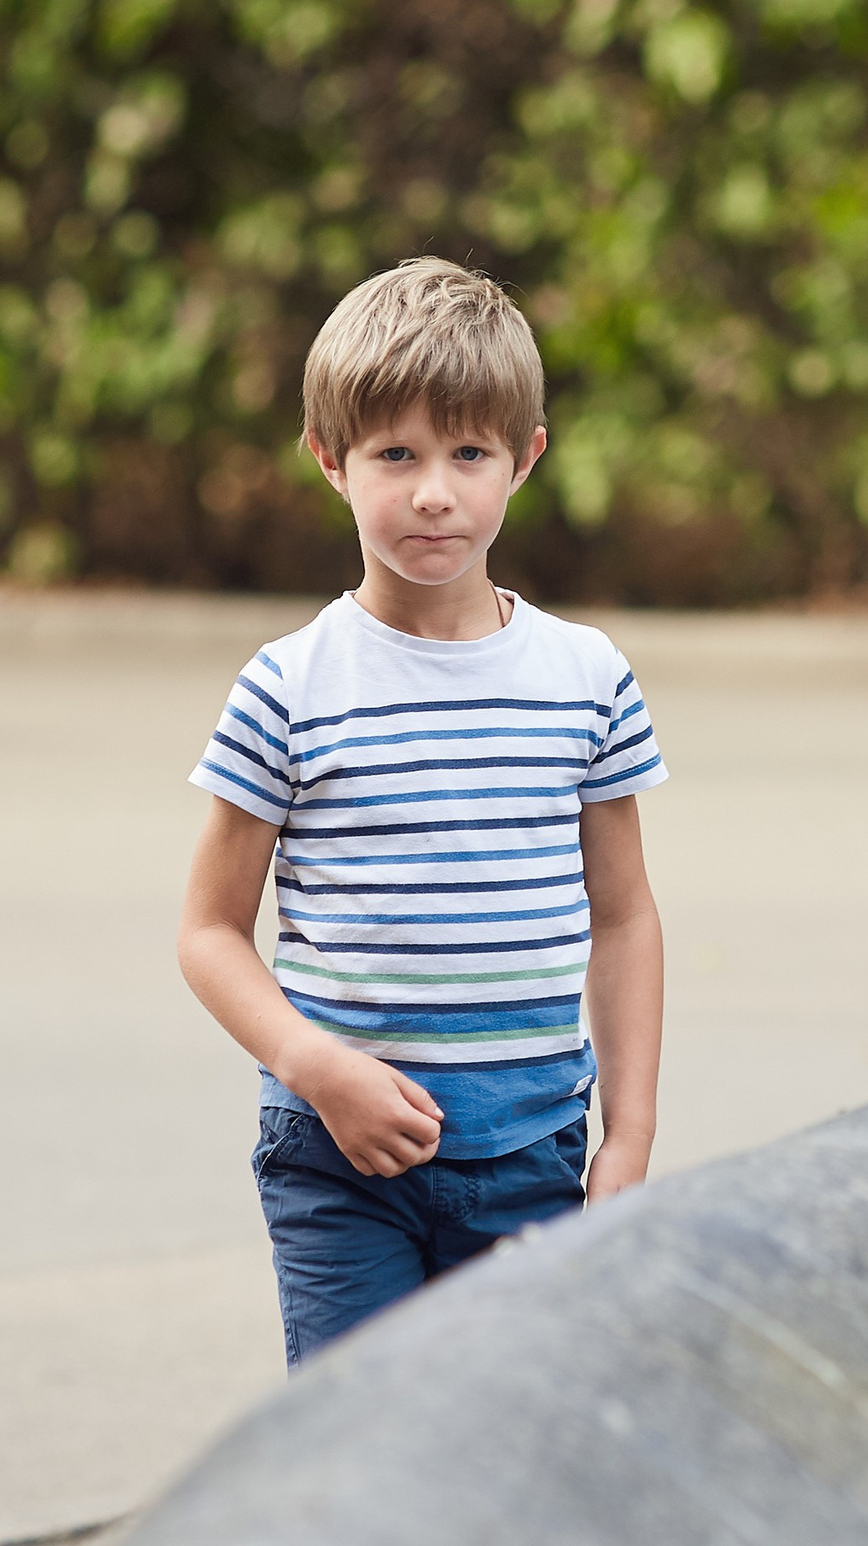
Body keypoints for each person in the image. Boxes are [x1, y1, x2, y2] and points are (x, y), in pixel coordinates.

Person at [176, 258, 666, 1367]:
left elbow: (626, 918)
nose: (433, 491)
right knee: (361, 1455)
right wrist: (316, 1067)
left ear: (524, 458)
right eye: (394, 454)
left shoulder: (587, 678)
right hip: (340, 1164)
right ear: (330, 461)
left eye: (468, 453)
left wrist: (627, 1137)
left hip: (536, 1151)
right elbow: (208, 931)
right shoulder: (289, 687)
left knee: (512, 1442)